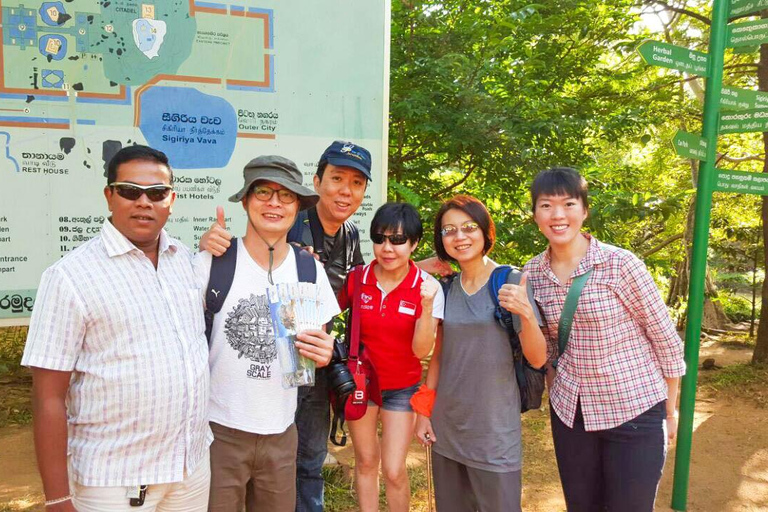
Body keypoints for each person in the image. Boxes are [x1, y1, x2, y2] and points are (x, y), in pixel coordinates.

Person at [199, 141, 451, 511]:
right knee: (259, 469)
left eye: (356, 183)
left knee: (307, 461)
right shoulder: (288, 222)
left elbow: (366, 278)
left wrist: (411, 265)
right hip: (256, 376)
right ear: (317, 182)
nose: (345, 190)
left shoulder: (349, 235)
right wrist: (211, 242)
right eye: (336, 178)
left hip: (314, 364)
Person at [22, 145, 211, 511]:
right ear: (109, 195)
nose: (144, 202)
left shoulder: (185, 262)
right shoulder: (69, 277)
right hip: (113, 483)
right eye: (129, 190)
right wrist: (58, 498)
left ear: (171, 200)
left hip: (188, 472)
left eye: (156, 193)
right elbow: (48, 397)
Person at [522, 167, 686, 512]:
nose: (558, 214)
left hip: (635, 410)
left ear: (584, 209)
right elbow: (547, 347)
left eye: (568, 203)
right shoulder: (532, 272)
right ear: (535, 215)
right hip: (571, 415)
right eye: (546, 205)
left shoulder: (619, 264)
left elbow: (666, 341)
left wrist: (670, 410)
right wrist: (556, 386)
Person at [195, 155, 339, 512]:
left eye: (286, 195)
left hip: (281, 430)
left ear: (298, 206)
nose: (274, 203)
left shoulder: (309, 269)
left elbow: (318, 343)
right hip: (218, 430)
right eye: (263, 192)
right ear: (245, 200)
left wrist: (324, 352)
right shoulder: (211, 262)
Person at [414, 195, 547, 512]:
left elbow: (538, 358)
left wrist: (527, 316)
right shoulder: (446, 287)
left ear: (486, 231)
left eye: (469, 227)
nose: (459, 237)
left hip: (494, 434)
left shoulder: (510, 281)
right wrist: (423, 412)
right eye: (449, 230)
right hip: (448, 429)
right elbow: (439, 357)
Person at [337, 202, 443, 512]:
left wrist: (425, 308)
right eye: (380, 238)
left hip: (402, 388)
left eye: (398, 240)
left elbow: (422, 350)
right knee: (366, 461)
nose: (387, 248)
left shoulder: (428, 287)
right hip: (362, 384)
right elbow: (325, 312)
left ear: (414, 244)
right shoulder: (357, 279)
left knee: (394, 470)